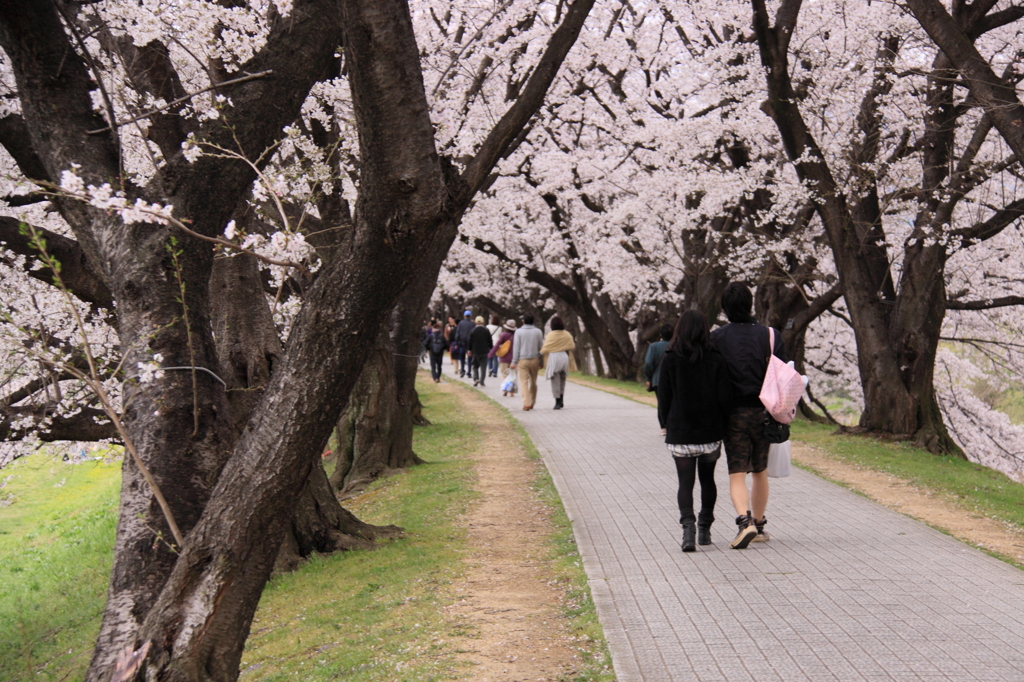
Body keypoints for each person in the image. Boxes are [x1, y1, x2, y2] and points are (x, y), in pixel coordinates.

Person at [710, 282, 786, 549]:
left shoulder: (716, 338)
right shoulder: (770, 335)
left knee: (737, 472)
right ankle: (760, 524)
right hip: (765, 412)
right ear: (750, 303)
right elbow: (784, 374)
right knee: (760, 471)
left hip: (733, 414)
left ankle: (745, 522)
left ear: (725, 307)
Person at [657, 311, 733, 552]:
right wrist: (722, 423)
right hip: (710, 432)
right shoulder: (715, 358)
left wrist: (665, 422)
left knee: (685, 482)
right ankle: (705, 529)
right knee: (708, 480)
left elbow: (664, 397)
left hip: (681, 431)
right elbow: (725, 398)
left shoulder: (670, 358)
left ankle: (687, 530)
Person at [540, 316, 577, 409]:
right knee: (562, 379)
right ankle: (561, 399)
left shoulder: (551, 335)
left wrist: (540, 353)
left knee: (555, 380)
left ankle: (557, 401)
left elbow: (546, 347)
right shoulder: (567, 334)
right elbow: (572, 346)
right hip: (565, 357)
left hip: (554, 358)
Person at [510, 313, 544, 411]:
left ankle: (526, 403)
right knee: (533, 381)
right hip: (534, 359)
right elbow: (540, 348)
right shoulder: (538, 332)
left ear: (523, 321)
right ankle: (532, 402)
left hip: (522, 360)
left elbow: (516, 348)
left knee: (524, 382)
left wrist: (513, 362)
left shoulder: (518, 332)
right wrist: (541, 361)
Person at [644, 324, 673, 434]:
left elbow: (648, 364)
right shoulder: (677, 345)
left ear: (661, 335)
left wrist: (648, 377)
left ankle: (664, 427)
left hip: (658, 380)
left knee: (661, 403)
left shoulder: (654, 346)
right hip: (674, 379)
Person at [490, 319, 517, 396]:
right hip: (514, 358)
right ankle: (511, 391)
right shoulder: (516, 335)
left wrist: (491, 354)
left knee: (504, 374)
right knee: (512, 375)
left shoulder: (503, 335)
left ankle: (505, 390)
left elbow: (497, 344)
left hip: (504, 358)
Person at [467, 316, 494, 386]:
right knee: (483, 366)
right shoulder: (486, 330)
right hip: (484, 351)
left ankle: (476, 378)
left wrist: (469, 350)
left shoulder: (472, 331)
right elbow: (490, 340)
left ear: (475, 322)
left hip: (475, 351)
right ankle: (482, 381)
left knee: (475, 365)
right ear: (483, 322)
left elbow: (469, 341)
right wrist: (491, 348)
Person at [454, 310, 476, 378]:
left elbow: (457, 334)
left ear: (464, 316)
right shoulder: (473, 324)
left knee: (462, 357)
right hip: (470, 343)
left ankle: (462, 370)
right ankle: (469, 372)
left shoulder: (460, 323)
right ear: (471, 316)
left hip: (462, 343)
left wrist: (457, 343)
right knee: (470, 358)